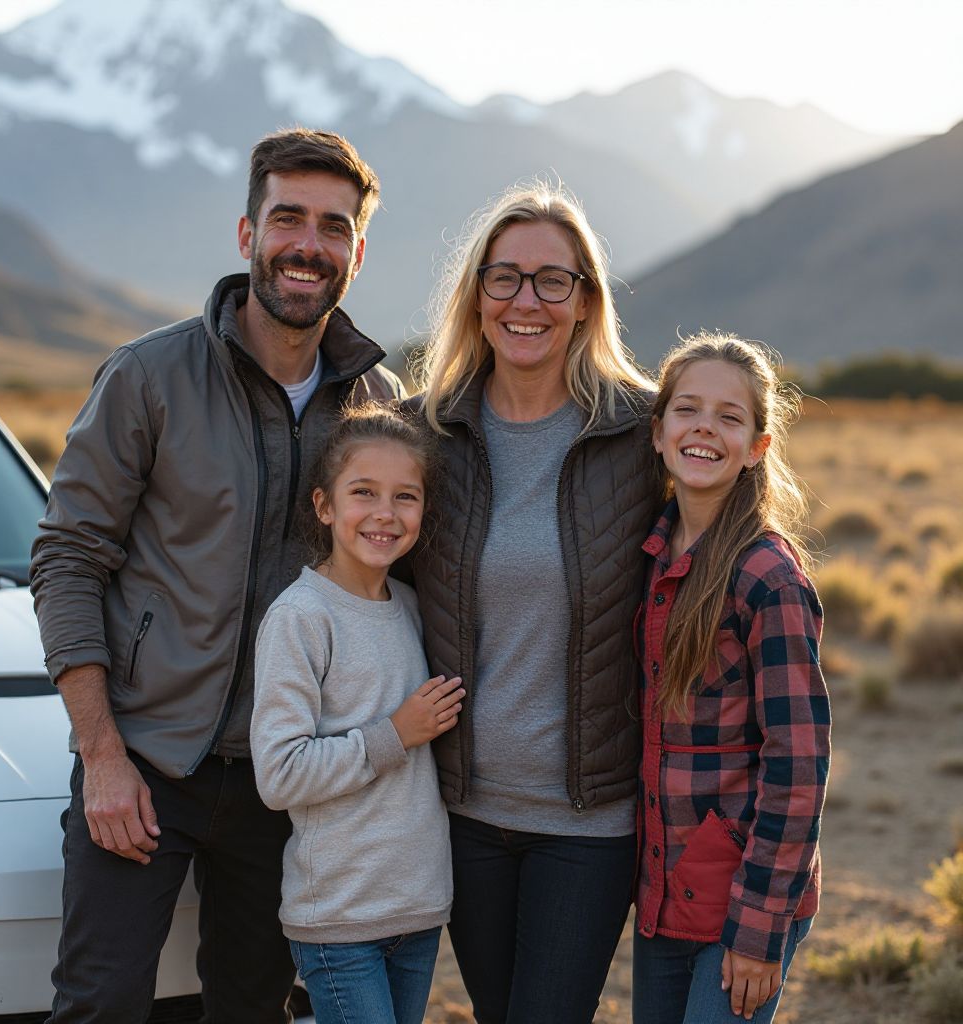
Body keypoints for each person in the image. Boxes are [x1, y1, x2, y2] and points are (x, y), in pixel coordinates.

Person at [29, 128, 405, 1024]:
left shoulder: (376, 409)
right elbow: (68, 557)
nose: (308, 245)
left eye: (334, 226)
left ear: (357, 251)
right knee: (101, 1006)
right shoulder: (149, 377)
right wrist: (102, 756)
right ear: (248, 235)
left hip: (287, 781)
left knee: (252, 1009)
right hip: (146, 762)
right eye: (288, 219)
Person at [410, 182, 658, 1024]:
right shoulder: (423, 435)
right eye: (505, 277)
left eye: (554, 280)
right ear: (476, 295)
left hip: (589, 824)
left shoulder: (643, 435)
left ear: (586, 301)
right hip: (460, 816)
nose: (527, 301)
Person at [631, 333, 830, 1024]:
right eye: (687, 409)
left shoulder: (767, 577)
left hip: (745, 900)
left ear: (756, 447)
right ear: (658, 432)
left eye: (729, 417)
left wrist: (758, 930)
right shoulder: (651, 556)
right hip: (667, 889)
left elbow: (799, 765)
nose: (704, 428)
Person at [251, 403, 462, 1024]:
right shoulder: (301, 618)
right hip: (339, 918)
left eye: (405, 496)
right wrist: (395, 734)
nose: (384, 513)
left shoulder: (415, 608)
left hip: (418, 908)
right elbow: (279, 775)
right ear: (324, 505)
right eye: (363, 492)